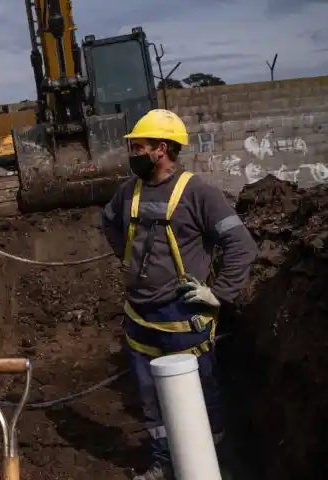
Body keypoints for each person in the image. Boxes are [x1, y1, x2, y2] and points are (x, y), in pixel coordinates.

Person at [101, 109, 257, 480]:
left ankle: (212, 462)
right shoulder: (129, 192)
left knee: (199, 393)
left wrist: (218, 295)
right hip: (139, 316)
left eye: (138, 147)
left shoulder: (199, 193)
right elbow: (108, 221)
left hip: (182, 316)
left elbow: (241, 245)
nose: (132, 153)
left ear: (162, 149)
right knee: (150, 396)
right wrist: (130, 255)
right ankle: (163, 461)